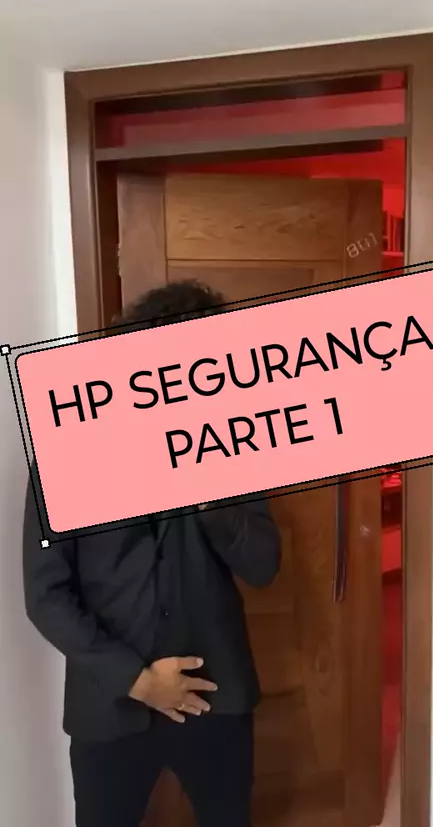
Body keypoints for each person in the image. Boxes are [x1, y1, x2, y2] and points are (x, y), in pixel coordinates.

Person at [23, 280, 282, 827]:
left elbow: (263, 565)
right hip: (109, 704)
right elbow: (45, 595)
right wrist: (138, 680)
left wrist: (211, 491)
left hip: (216, 694)